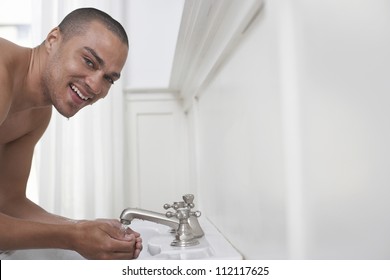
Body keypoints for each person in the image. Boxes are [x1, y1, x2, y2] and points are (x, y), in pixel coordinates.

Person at [0, 7, 142, 259]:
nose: (95, 86)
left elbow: (9, 202)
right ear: (53, 39)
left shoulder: (38, 114)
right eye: (89, 61)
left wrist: (83, 227)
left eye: (109, 78)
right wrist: (73, 237)